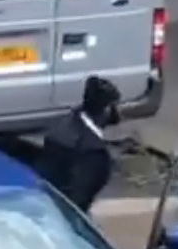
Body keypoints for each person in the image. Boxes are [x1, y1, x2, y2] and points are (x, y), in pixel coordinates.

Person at [37, 75, 121, 213]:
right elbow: (77, 202)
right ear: (107, 109)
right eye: (116, 106)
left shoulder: (61, 126)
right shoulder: (94, 155)